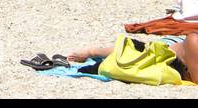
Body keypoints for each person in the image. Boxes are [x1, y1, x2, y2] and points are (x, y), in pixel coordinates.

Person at [68, 33, 198, 80]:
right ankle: (91, 51)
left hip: (178, 50)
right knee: (130, 52)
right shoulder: (194, 41)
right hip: (164, 54)